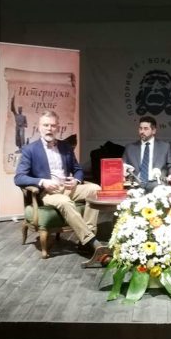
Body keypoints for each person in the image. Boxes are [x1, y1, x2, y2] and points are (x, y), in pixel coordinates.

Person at [14, 110, 110, 265]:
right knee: (65, 201)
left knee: (96, 190)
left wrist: (76, 181)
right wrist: (42, 182)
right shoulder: (30, 150)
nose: (49, 129)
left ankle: (85, 240)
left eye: (53, 125)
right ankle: (92, 242)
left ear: (57, 127)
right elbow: (19, 178)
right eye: (46, 125)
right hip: (47, 192)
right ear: (39, 127)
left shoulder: (65, 147)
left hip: (67, 187)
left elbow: (78, 170)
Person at [123, 115, 171, 193]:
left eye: (146, 129)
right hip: (135, 185)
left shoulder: (165, 146)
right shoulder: (129, 148)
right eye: (140, 128)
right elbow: (122, 166)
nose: (142, 132)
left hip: (157, 184)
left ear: (153, 131)